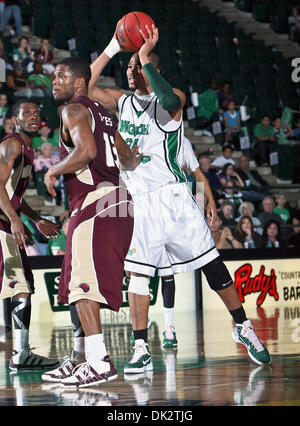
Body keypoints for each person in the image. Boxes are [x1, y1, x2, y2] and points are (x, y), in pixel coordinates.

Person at [88, 23, 271, 371]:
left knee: (212, 266)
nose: (129, 71)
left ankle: (243, 326)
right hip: (139, 200)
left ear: (151, 69)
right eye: (128, 67)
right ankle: (140, 347)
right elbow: (86, 87)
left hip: (174, 198)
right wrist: (114, 47)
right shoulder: (122, 101)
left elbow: (171, 100)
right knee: (139, 276)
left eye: (136, 67)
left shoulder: (172, 99)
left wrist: (144, 59)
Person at [42, 57, 141, 388]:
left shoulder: (72, 110)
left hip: (97, 202)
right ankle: (80, 356)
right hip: (116, 201)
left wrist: (53, 170)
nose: (53, 81)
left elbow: (85, 152)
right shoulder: (105, 115)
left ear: (79, 83)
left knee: (84, 285)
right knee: (74, 283)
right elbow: (127, 159)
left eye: (60, 76)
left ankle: (99, 361)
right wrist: (134, 157)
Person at [0, 99, 60, 370]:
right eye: (27, 113)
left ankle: (21, 352)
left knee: (23, 287)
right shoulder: (11, 144)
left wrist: (35, 219)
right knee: (19, 286)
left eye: (37, 112)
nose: (34, 116)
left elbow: (14, 195)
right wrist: (14, 219)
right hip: (2, 225)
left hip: (8, 223)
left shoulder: (28, 149)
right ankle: (20, 353)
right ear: (14, 120)